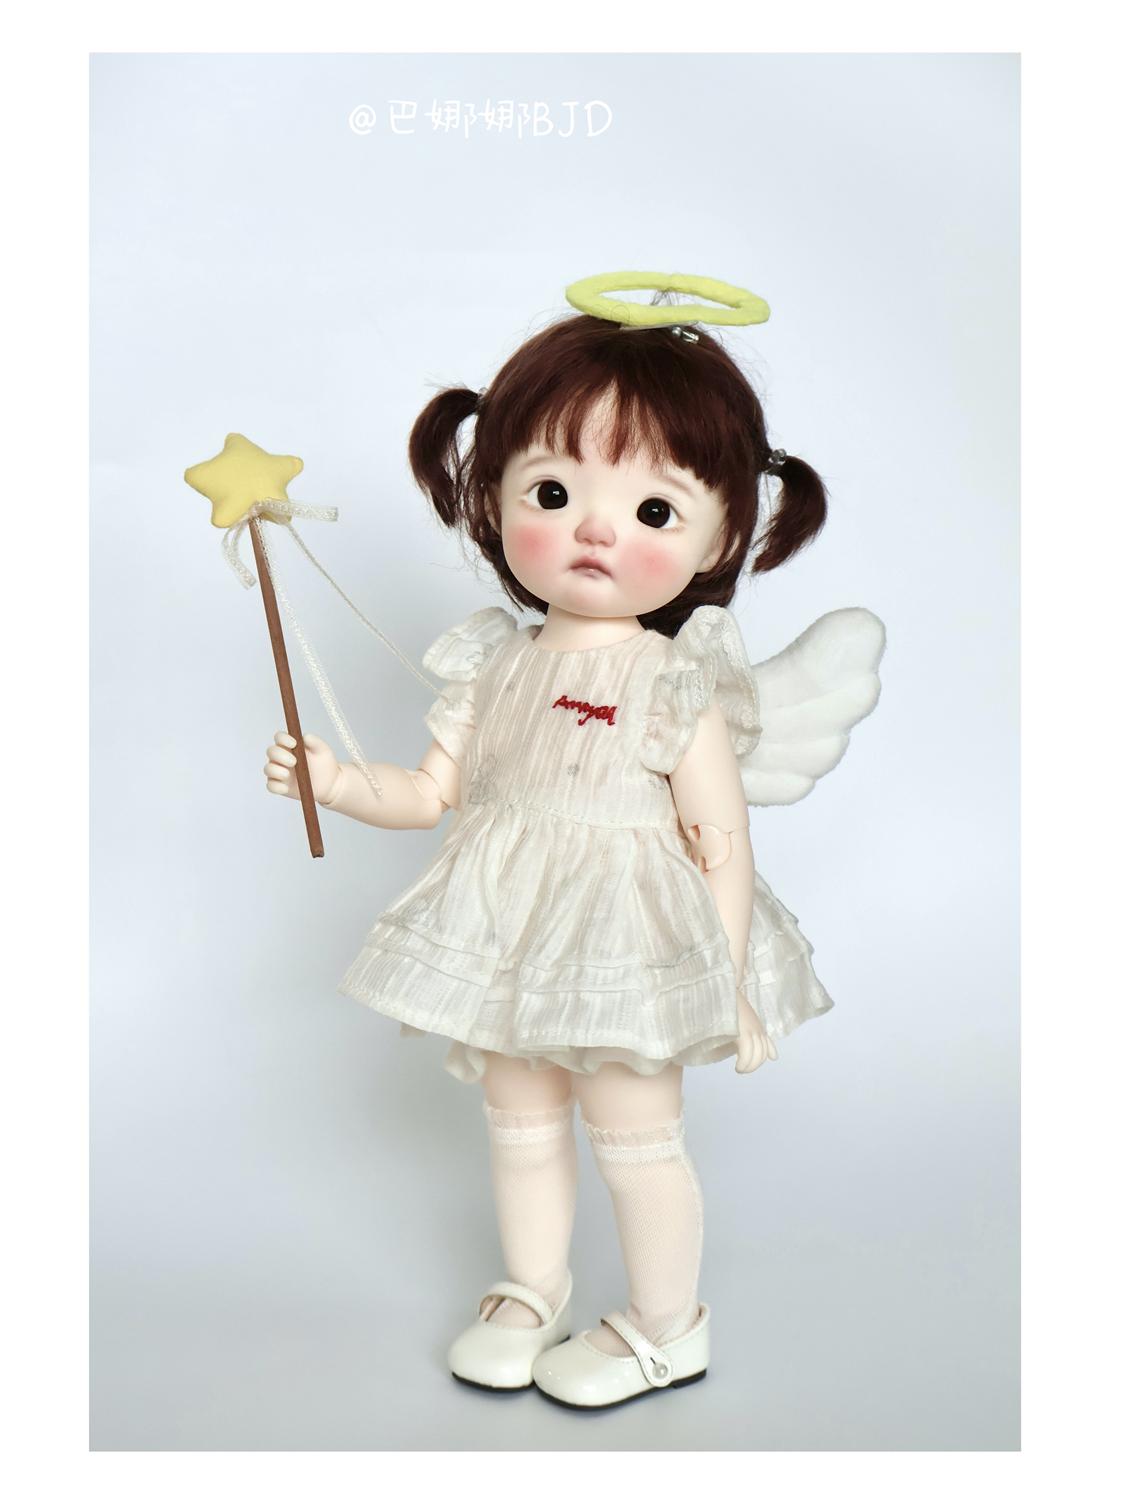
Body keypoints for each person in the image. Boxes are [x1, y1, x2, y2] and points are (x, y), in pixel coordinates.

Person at [264, 286, 881, 1409]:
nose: (597, 529)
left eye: (653, 509)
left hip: (630, 940)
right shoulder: (494, 666)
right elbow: (431, 793)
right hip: (510, 931)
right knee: (520, 1115)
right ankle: (531, 1287)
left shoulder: (673, 681)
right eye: (554, 492)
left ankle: (664, 1325)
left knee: (633, 1128)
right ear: (492, 500)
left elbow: (721, 839)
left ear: (721, 536)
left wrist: (725, 976)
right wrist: (338, 782)